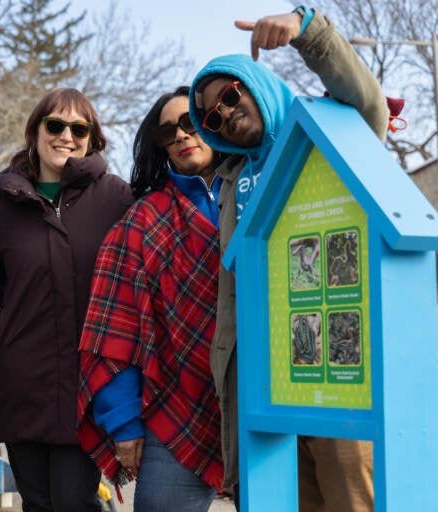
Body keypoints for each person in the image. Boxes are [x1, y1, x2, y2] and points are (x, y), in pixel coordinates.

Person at [188, 7, 389, 511]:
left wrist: (307, 29)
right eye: (212, 116)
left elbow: (370, 103)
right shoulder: (231, 183)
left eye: (231, 96)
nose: (226, 115)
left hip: (337, 375)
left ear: (256, 84)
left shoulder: (326, 133)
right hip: (266, 381)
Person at [0, 88, 134, 512]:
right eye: (55, 125)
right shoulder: (6, 206)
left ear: (92, 138)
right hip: (22, 379)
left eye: (80, 128)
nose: (66, 136)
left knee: (74, 502)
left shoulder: (114, 196)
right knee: (37, 503)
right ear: (35, 131)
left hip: (87, 382)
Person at [77, 86, 224, 512]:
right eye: (166, 132)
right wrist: (123, 424)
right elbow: (113, 329)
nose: (180, 136)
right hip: (176, 409)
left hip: (264, 402)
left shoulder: (262, 196)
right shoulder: (144, 221)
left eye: (190, 123)